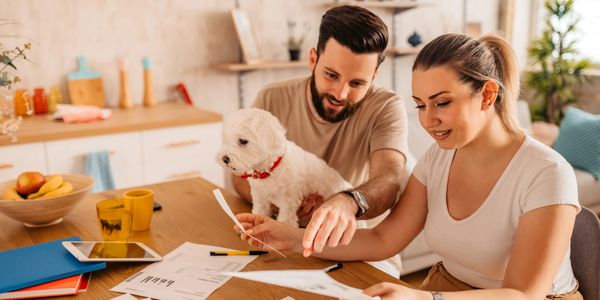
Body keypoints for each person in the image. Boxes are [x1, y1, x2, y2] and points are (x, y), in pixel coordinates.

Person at [234, 33, 583, 300]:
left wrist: (425, 296)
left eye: (441, 103)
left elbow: (522, 295)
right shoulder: (439, 156)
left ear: (488, 95)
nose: (429, 121)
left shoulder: (546, 173)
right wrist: (294, 238)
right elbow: (384, 238)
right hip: (449, 289)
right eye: (420, 105)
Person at [232, 5, 409, 252]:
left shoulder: (386, 106)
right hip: (277, 238)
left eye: (357, 83)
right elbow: (239, 173)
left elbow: (389, 180)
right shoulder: (272, 98)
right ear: (313, 59)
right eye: (331, 75)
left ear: (375, 75)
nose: (340, 93)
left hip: (350, 246)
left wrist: (346, 203)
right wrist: (279, 202)